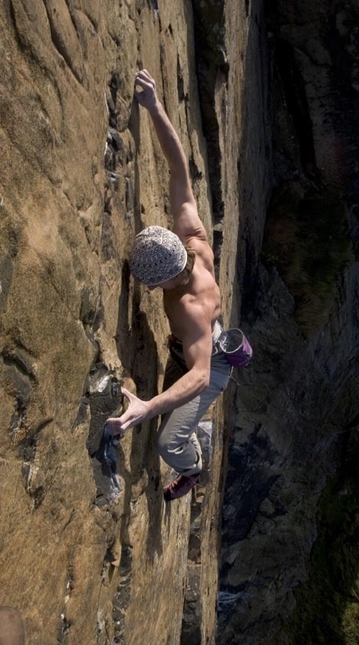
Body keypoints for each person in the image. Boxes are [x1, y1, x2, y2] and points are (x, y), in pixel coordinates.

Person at [106, 69, 232, 501]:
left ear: (169, 279)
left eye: (152, 285)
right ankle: (192, 427)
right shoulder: (189, 236)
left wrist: (145, 408)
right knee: (171, 410)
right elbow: (179, 169)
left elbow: (198, 375)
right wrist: (155, 107)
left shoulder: (192, 306)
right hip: (192, 347)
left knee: (165, 443)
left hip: (209, 365)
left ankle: (196, 464)